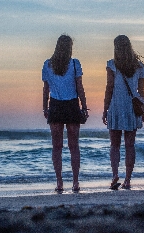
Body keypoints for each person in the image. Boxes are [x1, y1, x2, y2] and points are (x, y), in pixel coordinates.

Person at [42, 34, 89, 193]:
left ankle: (59, 182)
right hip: (71, 105)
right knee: (73, 146)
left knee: (57, 147)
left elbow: (46, 89)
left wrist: (45, 108)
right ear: (70, 47)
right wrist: (84, 106)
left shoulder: (48, 64)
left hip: (55, 105)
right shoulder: (75, 64)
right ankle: (75, 182)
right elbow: (79, 87)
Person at [102, 35, 144, 190]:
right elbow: (141, 93)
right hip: (131, 108)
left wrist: (105, 109)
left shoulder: (112, 65)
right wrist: (142, 109)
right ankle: (127, 180)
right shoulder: (138, 66)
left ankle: (115, 175)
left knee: (114, 145)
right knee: (130, 145)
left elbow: (109, 88)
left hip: (116, 106)